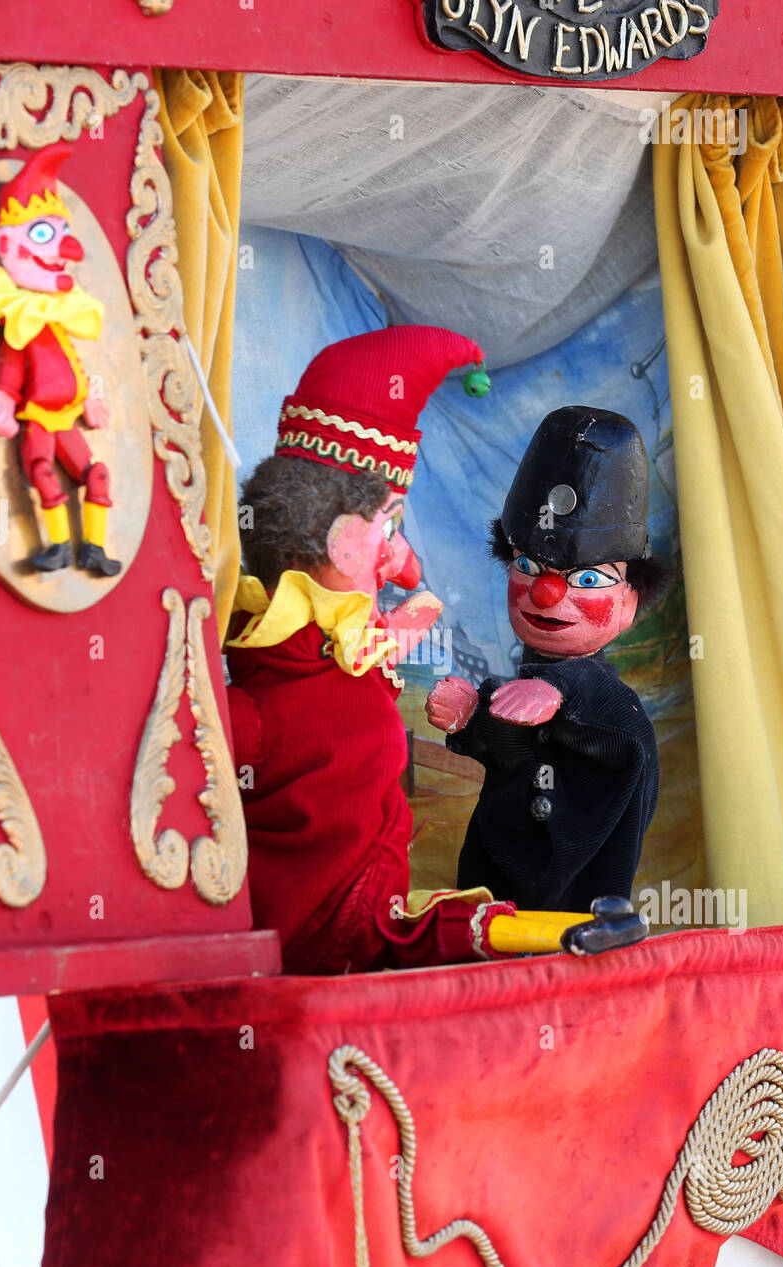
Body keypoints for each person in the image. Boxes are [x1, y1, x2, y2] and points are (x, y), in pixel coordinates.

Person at [225, 324, 520, 973]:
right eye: (388, 520)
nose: (395, 546)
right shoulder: (263, 693)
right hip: (302, 967)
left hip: (367, 942)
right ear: (334, 539)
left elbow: (417, 601)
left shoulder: (351, 650)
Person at [427, 406, 664, 913]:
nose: (548, 592)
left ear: (628, 602)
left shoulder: (609, 708)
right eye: (530, 566)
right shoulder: (526, 684)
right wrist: (475, 716)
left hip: (577, 905)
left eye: (587, 579)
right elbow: (516, 755)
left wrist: (565, 691)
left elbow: (623, 736)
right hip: (492, 891)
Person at [0, 142, 120, 576]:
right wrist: (2, 401)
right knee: (41, 469)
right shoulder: (20, 322)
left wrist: (88, 400)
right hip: (39, 418)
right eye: (43, 233)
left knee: (96, 474)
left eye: (60, 233)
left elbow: (72, 365)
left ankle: (93, 547)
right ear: (9, 241)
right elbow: (11, 370)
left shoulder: (58, 318)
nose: (66, 250)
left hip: (68, 418)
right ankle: (57, 544)